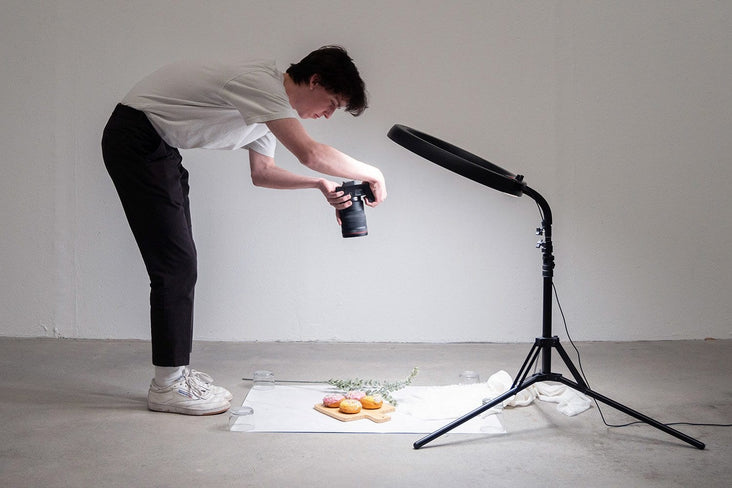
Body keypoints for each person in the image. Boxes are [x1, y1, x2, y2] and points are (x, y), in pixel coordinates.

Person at [101, 46, 387, 415]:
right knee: (175, 265)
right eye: (332, 103)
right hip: (135, 138)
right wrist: (372, 173)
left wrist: (318, 184)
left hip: (159, 147)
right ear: (314, 81)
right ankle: (167, 386)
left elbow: (262, 173)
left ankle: (177, 374)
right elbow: (310, 153)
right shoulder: (260, 84)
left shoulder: (267, 110)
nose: (329, 115)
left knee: (182, 263)